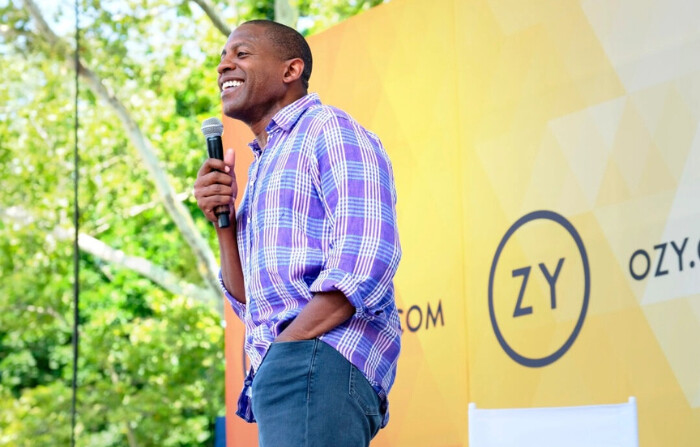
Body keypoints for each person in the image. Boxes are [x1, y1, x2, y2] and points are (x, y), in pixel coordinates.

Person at [193, 19, 401, 447]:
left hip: (317, 359)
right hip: (289, 365)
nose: (223, 66)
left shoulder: (329, 129)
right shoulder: (265, 161)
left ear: (290, 71)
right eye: (222, 58)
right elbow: (250, 301)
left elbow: (367, 254)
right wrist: (223, 223)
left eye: (241, 54)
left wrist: (289, 346)